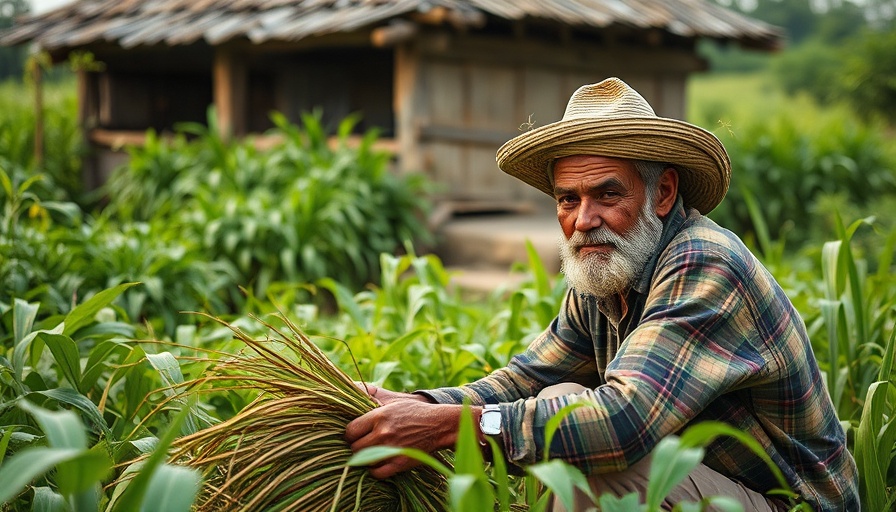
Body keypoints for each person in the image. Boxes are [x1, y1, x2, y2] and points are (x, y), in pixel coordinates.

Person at [344, 77, 859, 511]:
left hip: (786, 502)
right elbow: (528, 377)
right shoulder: (608, 271)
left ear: (662, 193)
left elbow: (624, 422)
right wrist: (416, 405)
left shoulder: (703, 262)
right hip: (704, 480)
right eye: (569, 199)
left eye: (607, 194)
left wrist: (449, 428)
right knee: (555, 400)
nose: (583, 221)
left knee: (586, 449)